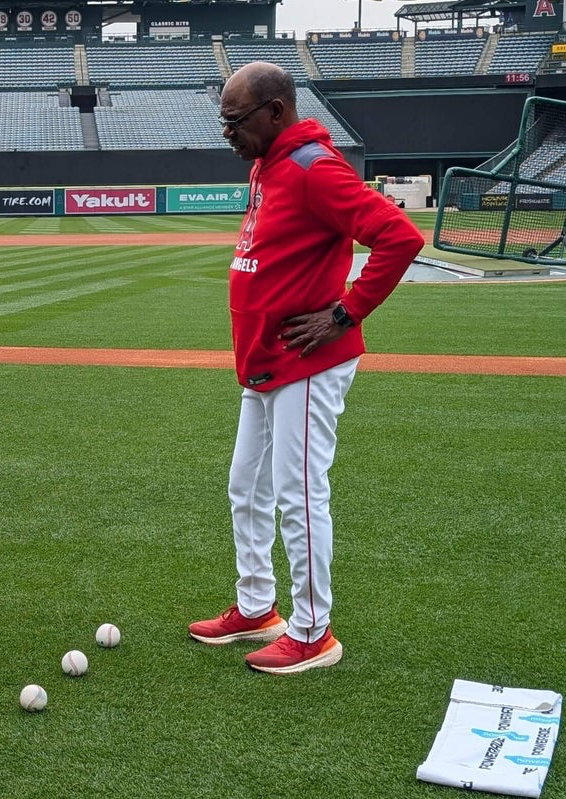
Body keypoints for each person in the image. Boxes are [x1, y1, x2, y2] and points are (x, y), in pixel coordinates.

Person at [188, 63, 423, 674]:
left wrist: (345, 313)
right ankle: (255, 607)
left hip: (308, 363)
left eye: (235, 121)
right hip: (265, 362)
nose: (228, 133)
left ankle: (314, 631)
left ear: (274, 112)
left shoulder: (314, 168)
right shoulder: (266, 165)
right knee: (246, 487)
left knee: (299, 494)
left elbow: (399, 237)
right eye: (223, 122)